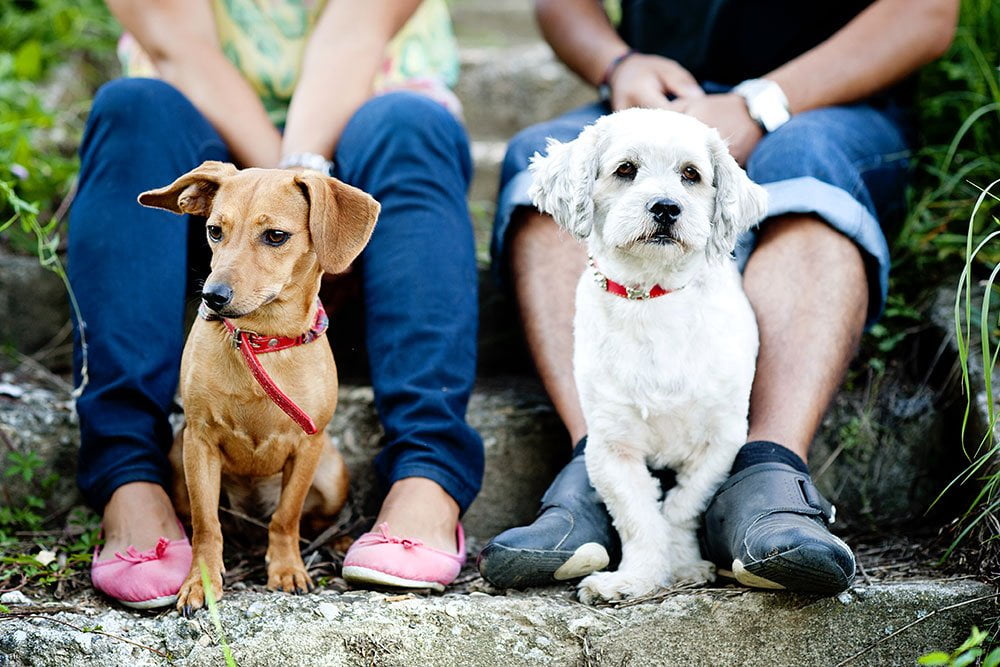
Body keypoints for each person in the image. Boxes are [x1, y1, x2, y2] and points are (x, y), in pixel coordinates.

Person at [478, 0, 959, 593]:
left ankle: (768, 477)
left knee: (804, 160)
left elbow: (925, 14)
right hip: (660, 97)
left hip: (834, 92)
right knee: (540, 153)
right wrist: (617, 63)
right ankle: (597, 466)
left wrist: (761, 101)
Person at [69, 0, 483, 608]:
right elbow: (178, 45)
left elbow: (356, 32)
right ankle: (131, 474)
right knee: (134, 107)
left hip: (361, 124)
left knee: (409, 122)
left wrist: (316, 215)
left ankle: (427, 474)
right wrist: (268, 197)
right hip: (207, 140)